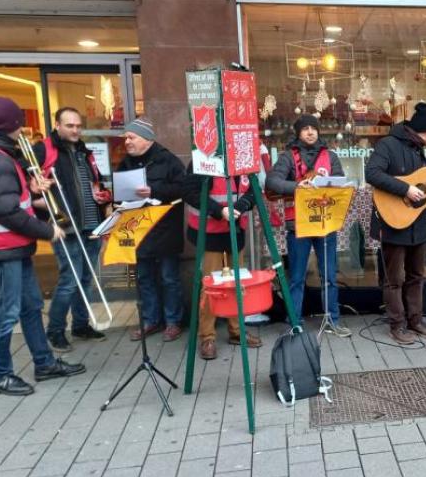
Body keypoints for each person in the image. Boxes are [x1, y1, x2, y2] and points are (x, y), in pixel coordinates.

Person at [0, 97, 85, 396]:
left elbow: (2, 199)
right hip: (0, 249)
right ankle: (0, 374)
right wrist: (46, 230)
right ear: (12, 125)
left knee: (30, 306)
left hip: (8, 246)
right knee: (6, 313)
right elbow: (6, 211)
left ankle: (44, 362)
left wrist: (32, 194)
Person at [32, 107, 111, 351]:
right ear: (57, 125)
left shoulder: (83, 151)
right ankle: (55, 331)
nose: (75, 130)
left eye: (78, 125)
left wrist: (101, 196)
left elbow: (94, 182)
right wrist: (34, 190)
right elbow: (26, 185)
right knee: (69, 280)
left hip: (90, 223)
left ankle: (80, 324)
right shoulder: (43, 149)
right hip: (65, 226)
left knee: (86, 279)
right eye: (70, 125)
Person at [266, 114, 351, 337]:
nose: (311, 132)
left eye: (314, 128)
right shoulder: (287, 157)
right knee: (296, 278)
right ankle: (295, 323)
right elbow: (272, 182)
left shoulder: (330, 156)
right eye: (306, 129)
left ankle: (332, 319)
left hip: (325, 224)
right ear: (298, 133)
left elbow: (340, 182)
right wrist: (298, 186)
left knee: (330, 276)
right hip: (299, 226)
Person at [365, 103, 426, 345]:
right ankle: (397, 324)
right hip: (392, 222)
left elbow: (422, 181)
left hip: (416, 222)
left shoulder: (419, 150)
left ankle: (415, 319)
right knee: (394, 278)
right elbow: (373, 173)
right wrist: (405, 188)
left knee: (416, 275)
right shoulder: (388, 145)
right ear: (421, 130)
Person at [115, 118, 186, 342]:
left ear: (147, 139)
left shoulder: (168, 160)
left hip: (165, 230)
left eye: (131, 137)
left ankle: (173, 322)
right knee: (144, 279)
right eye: (126, 137)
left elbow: (183, 189)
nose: (127, 141)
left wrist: (153, 190)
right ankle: (150, 321)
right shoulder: (125, 163)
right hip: (138, 231)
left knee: (169, 278)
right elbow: (120, 195)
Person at [184, 164, 262, 359]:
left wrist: (242, 205)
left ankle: (237, 331)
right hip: (210, 233)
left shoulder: (241, 157)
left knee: (237, 284)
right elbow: (190, 192)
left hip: (235, 233)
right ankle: (207, 336)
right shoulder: (202, 158)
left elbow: (254, 189)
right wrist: (220, 211)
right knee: (211, 287)